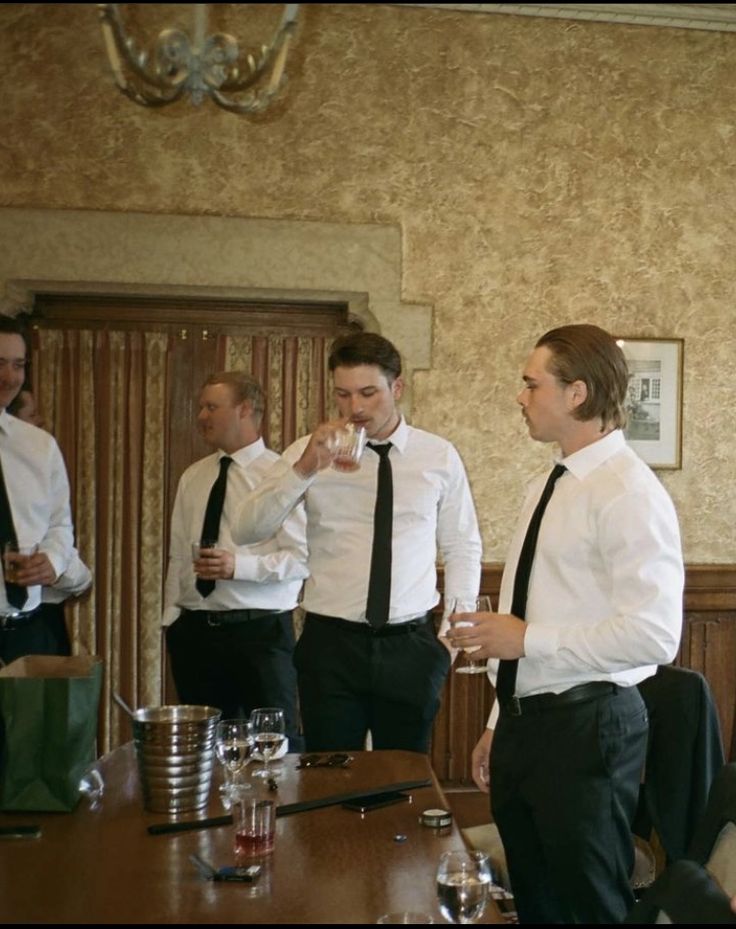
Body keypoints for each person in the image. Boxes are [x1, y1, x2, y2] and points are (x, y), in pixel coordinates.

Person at [447, 324, 684, 924]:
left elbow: (656, 634)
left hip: (591, 729)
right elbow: (531, 611)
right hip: (530, 727)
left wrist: (527, 640)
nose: (520, 396)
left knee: (589, 907)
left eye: (532, 384)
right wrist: (501, 720)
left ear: (576, 393)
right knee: (537, 901)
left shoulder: (630, 491)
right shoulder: (546, 485)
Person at [232, 332, 482, 754]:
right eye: (343, 395)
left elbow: (462, 546)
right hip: (331, 646)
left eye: (369, 392)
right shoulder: (307, 453)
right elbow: (247, 529)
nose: (355, 408)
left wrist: (449, 641)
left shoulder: (438, 456)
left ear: (397, 388)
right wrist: (305, 468)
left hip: (412, 646)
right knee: (329, 781)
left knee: (404, 781)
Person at [163, 371, 308, 748]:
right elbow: (179, 553)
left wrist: (237, 567)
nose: (201, 416)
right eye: (200, 407)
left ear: (245, 410)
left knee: (274, 747)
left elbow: (300, 558)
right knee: (203, 751)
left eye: (212, 406)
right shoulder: (193, 476)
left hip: (260, 634)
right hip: (195, 635)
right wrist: (171, 621)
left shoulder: (281, 476)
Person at [0, 316, 79, 664]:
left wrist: (53, 560)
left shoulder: (39, 446)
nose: (9, 377)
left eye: (18, 365)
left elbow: (60, 526)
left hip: (28, 634)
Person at [6, 385, 92, 655]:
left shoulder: (41, 464)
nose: (41, 422)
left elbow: (79, 577)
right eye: (32, 415)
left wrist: (53, 562)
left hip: (36, 629)